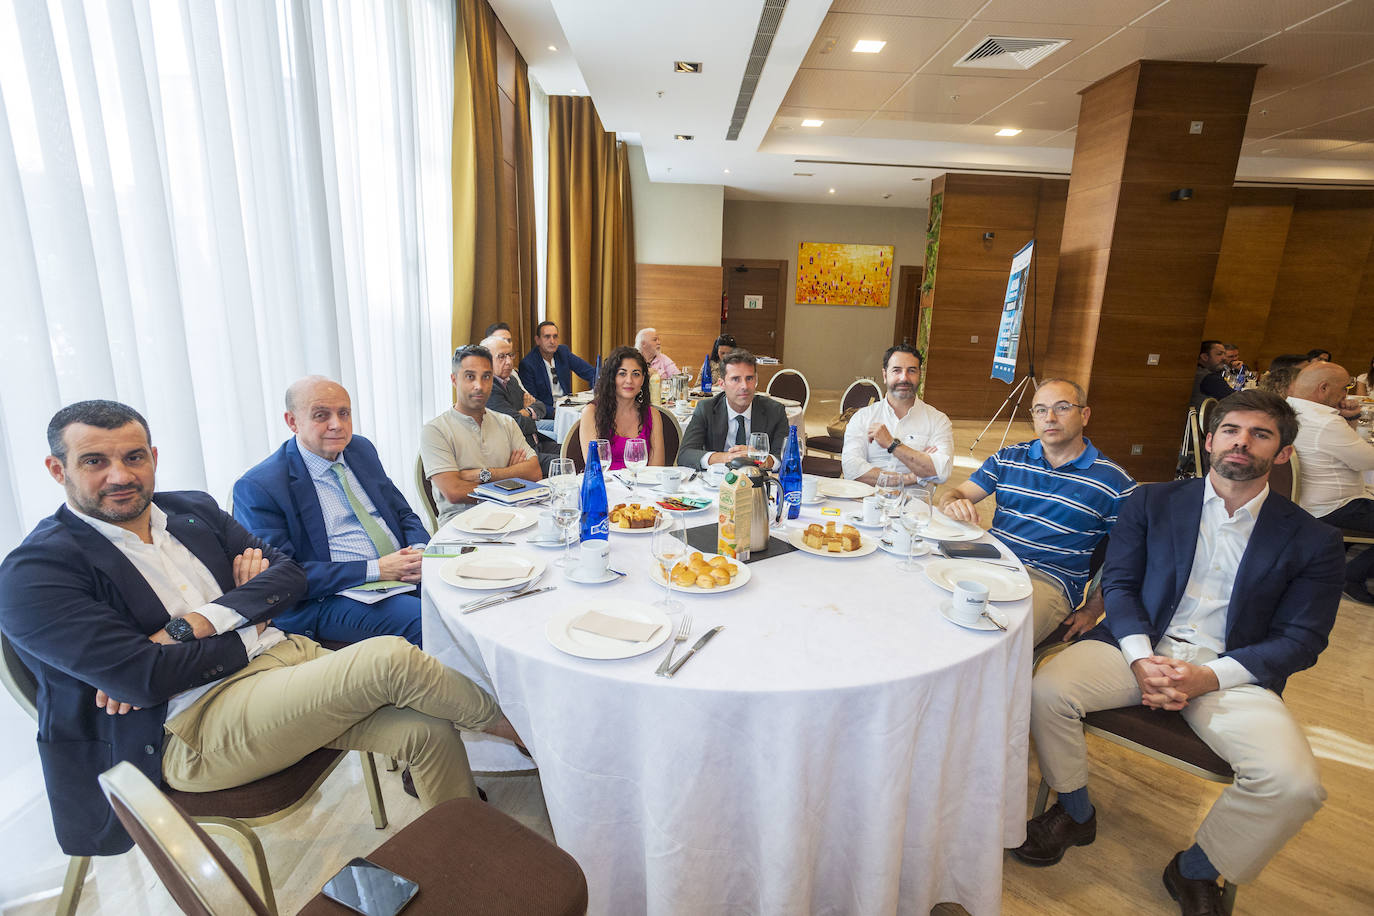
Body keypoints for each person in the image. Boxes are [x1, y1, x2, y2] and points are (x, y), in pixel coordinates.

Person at [0, 400, 526, 857]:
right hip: (193, 727)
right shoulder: (35, 572)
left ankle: (462, 856)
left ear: (153, 458)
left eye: (133, 456)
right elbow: (142, 678)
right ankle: (523, 735)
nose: (120, 474)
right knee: (389, 657)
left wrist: (201, 620)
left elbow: (288, 576)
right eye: (95, 461)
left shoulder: (191, 510)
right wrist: (247, 616)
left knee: (428, 730)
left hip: (282, 662)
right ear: (56, 468)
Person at [1011, 390, 1341, 915]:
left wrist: (1204, 679)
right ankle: (1075, 811)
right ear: (1210, 441)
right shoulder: (1153, 501)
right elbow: (1119, 584)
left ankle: (1195, 868)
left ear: (1282, 454)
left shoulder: (1313, 540)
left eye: (1261, 434)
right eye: (1231, 430)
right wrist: (1142, 659)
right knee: (1044, 690)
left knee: (1293, 785)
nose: (1241, 442)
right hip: (1135, 646)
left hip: (1232, 673)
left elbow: (1302, 640)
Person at [233, 377, 430, 647]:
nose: (337, 424)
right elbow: (282, 576)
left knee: (471, 597)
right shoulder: (260, 486)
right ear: (292, 422)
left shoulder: (360, 449)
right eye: (321, 415)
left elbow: (402, 513)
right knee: (430, 622)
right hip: (329, 597)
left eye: (344, 413)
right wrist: (377, 569)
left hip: (399, 573)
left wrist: (418, 550)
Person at [939, 379, 1136, 645]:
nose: (1050, 418)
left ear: (1085, 415)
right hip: (991, 560)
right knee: (930, 606)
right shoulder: (1009, 457)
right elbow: (955, 494)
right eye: (1040, 410)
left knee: (989, 641)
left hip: (1047, 580)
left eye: (1062, 408)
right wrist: (953, 502)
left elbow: (1129, 557)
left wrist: (1093, 609)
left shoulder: (1113, 482)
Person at [422, 345, 542, 527]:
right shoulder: (435, 430)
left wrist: (484, 475)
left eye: (486, 377)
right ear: (454, 380)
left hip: (512, 517)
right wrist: (512, 480)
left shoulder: (506, 423)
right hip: (460, 528)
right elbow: (455, 492)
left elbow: (534, 472)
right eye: (470, 377)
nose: (479, 385)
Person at [1285, 361, 1374, 602]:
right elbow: (1367, 461)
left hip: (1298, 501)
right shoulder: (1325, 422)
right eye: (1345, 388)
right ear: (1323, 388)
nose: (1346, 394)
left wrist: (1351, 418)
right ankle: (1352, 575)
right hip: (1333, 506)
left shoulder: (1287, 409)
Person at [841, 344, 953, 486]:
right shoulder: (863, 417)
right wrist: (912, 477)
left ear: (920, 375)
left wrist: (892, 444)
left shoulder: (938, 421)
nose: (904, 378)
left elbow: (942, 472)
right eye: (896, 370)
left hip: (915, 505)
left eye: (911, 371)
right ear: (885, 375)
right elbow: (852, 470)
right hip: (866, 501)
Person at [677, 349, 788, 469]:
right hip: (716, 480)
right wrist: (727, 458)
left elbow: (786, 457)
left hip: (758, 480)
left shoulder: (775, 411)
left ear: (756, 380)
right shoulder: (706, 409)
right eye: (736, 379)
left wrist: (759, 459)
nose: (744, 386)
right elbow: (685, 455)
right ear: (722, 384)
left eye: (749, 378)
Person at [578, 346, 666, 470]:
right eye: (622, 373)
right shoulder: (591, 413)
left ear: (643, 379)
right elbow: (594, 468)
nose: (629, 380)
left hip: (642, 486)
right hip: (606, 486)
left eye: (636, 374)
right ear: (612, 378)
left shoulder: (652, 414)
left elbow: (656, 469)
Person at [482, 334, 550, 454]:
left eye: (510, 355)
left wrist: (525, 411)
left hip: (535, 442)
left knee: (576, 452)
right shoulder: (490, 388)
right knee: (568, 461)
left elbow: (540, 406)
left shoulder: (510, 380)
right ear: (486, 361)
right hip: (519, 453)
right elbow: (516, 424)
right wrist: (526, 414)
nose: (509, 362)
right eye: (501, 357)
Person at [518, 320, 595, 416]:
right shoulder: (528, 364)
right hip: (547, 415)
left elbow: (591, 373)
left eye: (555, 336)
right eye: (547, 337)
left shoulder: (563, 352)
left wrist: (597, 392)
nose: (552, 341)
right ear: (538, 340)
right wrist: (555, 412)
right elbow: (533, 401)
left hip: (567, 408)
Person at [1191, 340, 1233, 409]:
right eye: (1219, 354)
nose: (1224, 358)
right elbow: (1236, 399)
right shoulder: (1209, 378)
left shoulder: (1197, 371)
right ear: (1204, 357)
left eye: (1224, 354)